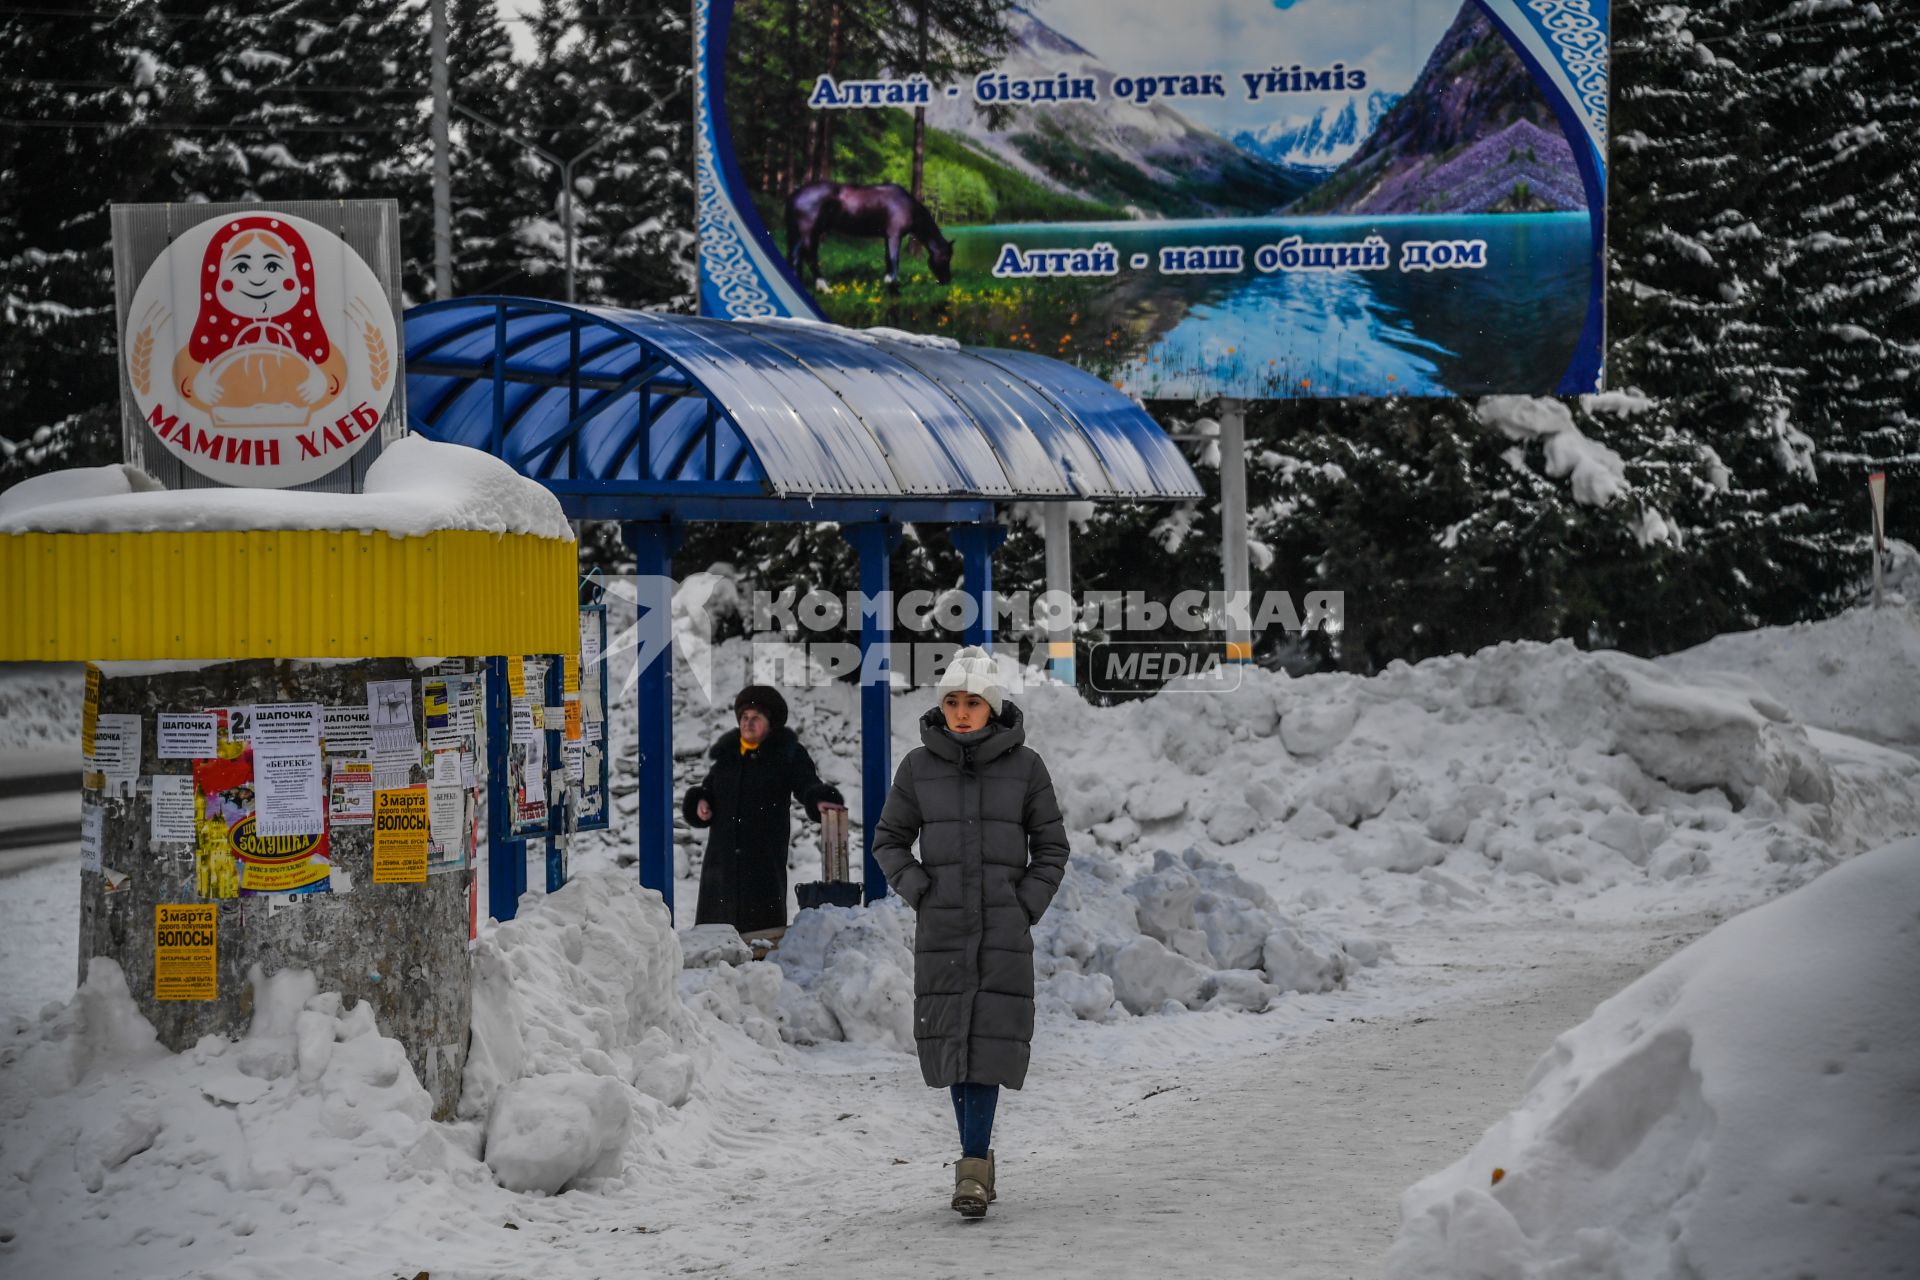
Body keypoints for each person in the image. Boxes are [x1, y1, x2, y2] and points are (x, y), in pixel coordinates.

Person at [871, 645, 1070, 1218]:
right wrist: (922, 891)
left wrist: (1023, 904)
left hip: (1002, 932)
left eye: (974, 703)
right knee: (954, 1044)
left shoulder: (1026, 767)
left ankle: (972, 1169)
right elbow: (889, 840)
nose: (962, 712)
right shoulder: (918, 767)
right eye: (953, 702)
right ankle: (977, 1161)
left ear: (993, 707)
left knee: (986, 1045)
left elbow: (1051, 847)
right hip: (944, 929)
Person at [683, 685, 844, 936]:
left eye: (756, 717)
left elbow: (807, 783)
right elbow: (708, 790)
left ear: (771, 723)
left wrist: (818, 799)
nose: (748, 723)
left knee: (761, 938)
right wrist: (701, 802)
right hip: (721, 863)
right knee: (714, 937)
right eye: (744, 717)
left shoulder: (786, 754)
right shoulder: (728, 756)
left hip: (761, 862)